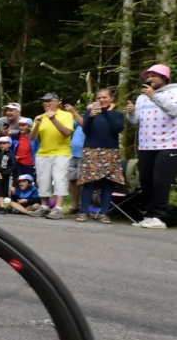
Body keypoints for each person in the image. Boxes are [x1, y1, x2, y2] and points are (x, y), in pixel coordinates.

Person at [126, 64, 177, 228]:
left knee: (160, 181)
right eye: (148, 75)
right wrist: (131, 112)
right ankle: (148, 215)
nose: (150, 78)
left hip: (169, 143)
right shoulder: (142, 97)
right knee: (146, 180)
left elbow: (173, 111)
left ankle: (161, 217)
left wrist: (154, 96)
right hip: (146, 145)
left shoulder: (174, 92)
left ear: (164, 77)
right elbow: (135, 121)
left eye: (154, 75)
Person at [76, 88, 125, 223]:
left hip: (110, 151)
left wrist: (109, 112)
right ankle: (83, 212)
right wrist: (90, 117)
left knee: (107, 184)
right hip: (91, 151)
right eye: (99, 98)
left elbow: (117, 128)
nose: (102, 100)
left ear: (111, 99)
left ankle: (105, 213)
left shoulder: (117, 115)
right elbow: (86, 130)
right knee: (88, 183)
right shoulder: (90, 113)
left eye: (105, 98)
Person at [28, 93, 74, 220]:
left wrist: (53, 119)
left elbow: (67, 133)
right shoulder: (40, 117)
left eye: (49, 101)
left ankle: (58, 209)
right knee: (43, 180)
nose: (46, 103)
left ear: (58, 102)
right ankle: (44, 207)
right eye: (44, 101)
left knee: (60, 179)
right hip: (43, 153)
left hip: (62, 153)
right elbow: (32, 138)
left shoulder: (66, 115)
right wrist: (36, 125)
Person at [0, 136, 16, 214]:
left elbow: (13, 165)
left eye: (4, 143)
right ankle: (2, 207)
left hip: (6, 174)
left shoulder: (10, 155)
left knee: (4, 190)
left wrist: (4, 173)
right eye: (0, 143)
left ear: (9, 144)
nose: (2, 145)